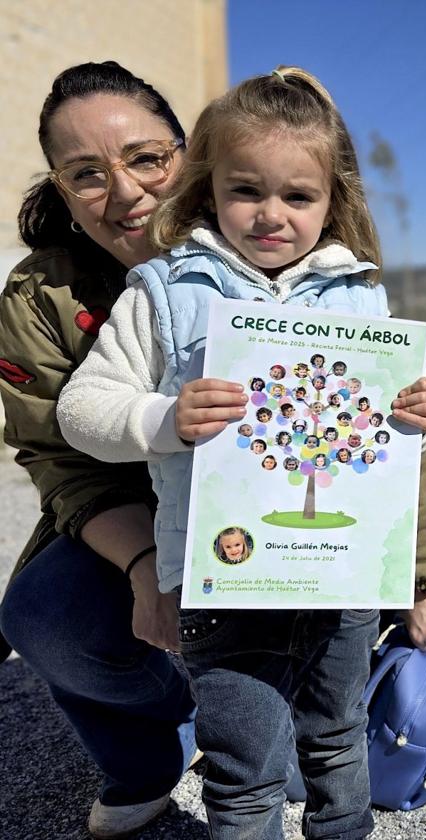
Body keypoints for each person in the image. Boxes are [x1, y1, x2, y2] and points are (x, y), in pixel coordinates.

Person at [57, 66, 426, 839]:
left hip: (342, 581)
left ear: (333, 201)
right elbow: (81, 412)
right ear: (209, 188)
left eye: (298, 196)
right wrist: (164, 417)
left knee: (338, 738)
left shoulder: (361, 296)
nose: (271, 214)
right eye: (247, 190)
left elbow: (392, 438)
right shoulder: (165, 292)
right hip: (224, 577)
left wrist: (423, 419)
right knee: (244, 769)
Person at [0, 61, 196, 839]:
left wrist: (420, 581)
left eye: (147, 158)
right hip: (136, 502)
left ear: (187, 152)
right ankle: (155, 741)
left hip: (277, 490)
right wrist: (148, 566)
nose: (125, 192)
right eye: (87, 174)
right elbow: (62, 463)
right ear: (60, 190)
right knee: (48, 618)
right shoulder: (41, 299)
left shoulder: (271, 237)